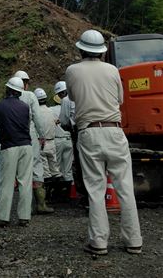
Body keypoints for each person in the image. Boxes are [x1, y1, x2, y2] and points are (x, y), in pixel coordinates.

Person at [65, 29, 142, 256]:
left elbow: (71, 97)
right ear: (102, 51)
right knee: (125, 188)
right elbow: (119, 99)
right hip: (115, 131)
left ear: (81, 49)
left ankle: (99, 242)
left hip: (89, 132)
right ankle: (133, 241)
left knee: (95, 189)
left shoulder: (72, 71)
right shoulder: (112, 70)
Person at [0, 77, 33, 227]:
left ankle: (3, 217)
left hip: (8, 146)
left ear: (8, 89)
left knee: (7, 183)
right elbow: (27, 124)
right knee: (25, 182)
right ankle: (24, 217)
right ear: (20, 92)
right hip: (26, 145)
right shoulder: (25, 106)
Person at [13, 71, 52, 214]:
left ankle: (25, 208)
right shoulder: (30, 96)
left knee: (22, 170)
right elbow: (38, 118)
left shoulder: (8, 97)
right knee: (36, 166)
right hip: (29, 134)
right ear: (26, 83)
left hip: (14, 136)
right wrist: (42, 136)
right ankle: (41, 204)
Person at [33, 89, 62, 181]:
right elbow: (57, 122)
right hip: (52, 143)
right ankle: (58, 192)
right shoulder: (51, 111)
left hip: (41, 143)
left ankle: (47, 193)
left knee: (45, 173)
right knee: (55, 170)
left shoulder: (35, 113)